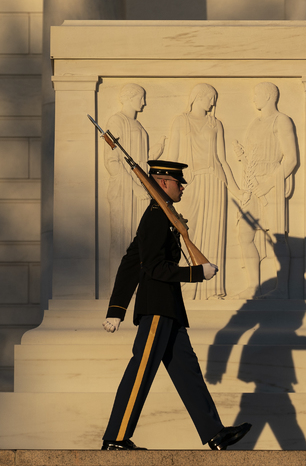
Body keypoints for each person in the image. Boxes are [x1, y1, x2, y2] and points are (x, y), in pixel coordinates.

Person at [100, 160, 252, 451]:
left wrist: (117, 309)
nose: (182, 187)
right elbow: (152, 267)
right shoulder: (156, 216)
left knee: (187, 372)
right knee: (141, 370)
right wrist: (196, 273)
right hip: (157, 307)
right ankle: (115, 438)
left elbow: (131, 261)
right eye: (177, 182)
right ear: (162, 183)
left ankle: (215, 433)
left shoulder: (163, 215)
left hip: (168, 309)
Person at [164, 83, 242, 299]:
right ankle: (185, 284)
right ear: (198, 97)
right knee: (186, 231)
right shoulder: (181, 122)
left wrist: (236, 190)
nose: (213, 103)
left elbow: (222, 160)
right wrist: (166, 189)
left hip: (213, 183)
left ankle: (212, 290)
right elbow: (172, 158)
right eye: (210, 98)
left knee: (213, 234)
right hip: (188, 184)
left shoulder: (215, 124)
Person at [233, 82, 298, 299]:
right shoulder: (255, 123)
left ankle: (282, 289)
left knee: (277, 237)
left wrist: (268, 184)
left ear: (269, 96)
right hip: (252, 183)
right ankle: (253, 286)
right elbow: (253, 158)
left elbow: (290, 159)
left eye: (257, 95)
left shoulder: (282, 121)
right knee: (244, 234)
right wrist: (243, 158)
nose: (253, 99)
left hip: (272, 183)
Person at [104, 83, 162, 280]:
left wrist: (156, 151)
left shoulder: (138, 125)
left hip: (141, 190)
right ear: (129, 98)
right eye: (140, 97)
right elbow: (112, 161)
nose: (144, 103)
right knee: (122, 240)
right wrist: (134, 187)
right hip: (125, 190)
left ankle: (137, 285)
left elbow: (141, 160)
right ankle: (117, 286)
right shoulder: (116, 121)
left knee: (140, 241)